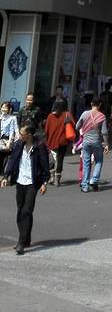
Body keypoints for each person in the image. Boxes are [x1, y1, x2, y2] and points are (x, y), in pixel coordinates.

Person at [1, 122, 49, 254]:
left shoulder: (39, 146)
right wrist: (6, 176)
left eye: (22, 134)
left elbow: (45, 166)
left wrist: (44, 183)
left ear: (29, 135)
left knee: (26, 211)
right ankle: (26, 238)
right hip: (20, 181)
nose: (20, 135)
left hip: (33, 183)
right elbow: (12, 160)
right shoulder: (18, 145)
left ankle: (21, 243)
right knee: (20, 210)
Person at [76, 96, 109, 191]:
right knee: (98, 160)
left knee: (86, 163)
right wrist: (106, 144)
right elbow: (104, 132)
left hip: (86, 141)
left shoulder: (85, 114)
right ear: (100, 105)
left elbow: (77, 126)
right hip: (97, 142)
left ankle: (85, 186)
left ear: (91, 104)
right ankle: (94, 180)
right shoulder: (102, 116)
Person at [44, 99, 74, 185]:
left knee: (52, 159)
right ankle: (57, 179)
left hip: (52, 141)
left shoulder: (50, 116)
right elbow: (74, 125)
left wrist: (46, 140)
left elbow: (46, 130)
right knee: (60, 159)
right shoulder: (67, 114)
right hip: (63, 141)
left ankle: (52, 176)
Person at [0, 100, 19, 176]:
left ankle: (5, 175)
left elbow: (13, 130)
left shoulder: (12, 118)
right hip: (0, 140)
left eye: (5, 107)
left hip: (7, 139)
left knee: (6, 158)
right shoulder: (0, 117)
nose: (3, 109)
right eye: (2, 107)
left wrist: (10, 141)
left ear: (9, 109)